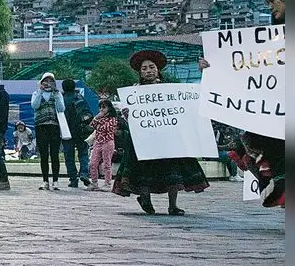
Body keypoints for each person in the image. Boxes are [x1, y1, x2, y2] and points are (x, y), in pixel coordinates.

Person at [112, 50, 209, 215]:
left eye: (151, 67)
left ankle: (173, 205)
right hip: (143, 137)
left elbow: (191, 100)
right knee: (143, 169)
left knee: (172, 169)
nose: (148, 70)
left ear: (158, 69)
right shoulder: (134, 92)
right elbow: (128, 116)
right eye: (144, 68)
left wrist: (204, 72)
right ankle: (145, 199)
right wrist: (128, 113)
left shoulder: (170, 89)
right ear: (139, 72)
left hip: (168, 136)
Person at [226, 0, 285, 208]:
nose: (270, 7)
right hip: (277, 109)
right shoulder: (272, 39)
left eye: (273, 1)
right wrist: (214, 66)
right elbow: (251, 64)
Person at [31, 72, 65, 191]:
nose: (48, 83)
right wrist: (40, 92)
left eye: (51, 81)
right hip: (41, 126)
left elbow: (61, 109)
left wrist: (56, 94)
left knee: (54, 154)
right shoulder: (36, 93)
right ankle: (45, 180)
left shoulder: (57, 94)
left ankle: (55, 181)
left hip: (54, 126)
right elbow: (34, 105)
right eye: (46, 81)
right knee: (44, 155)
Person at [61, 78, 92, 188]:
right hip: (81, 130)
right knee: (83, 153)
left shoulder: (62, 99)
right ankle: (84, 173)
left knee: (69, 156)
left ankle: (73, 179)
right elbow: (88, 113)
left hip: (66, 132)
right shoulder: (80, 98)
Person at [86, 100, 119, 191]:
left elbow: (106, 128)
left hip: (107, 142)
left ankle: (107, 183)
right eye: (100, 107)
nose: (101, 109)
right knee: (93, 163)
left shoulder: (113, 119)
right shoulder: (98, 118)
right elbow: (91, 125)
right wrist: (97, 117)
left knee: (107, 164)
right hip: (98, 142)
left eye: (104, 107)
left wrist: (98, 122)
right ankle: (94, 182)